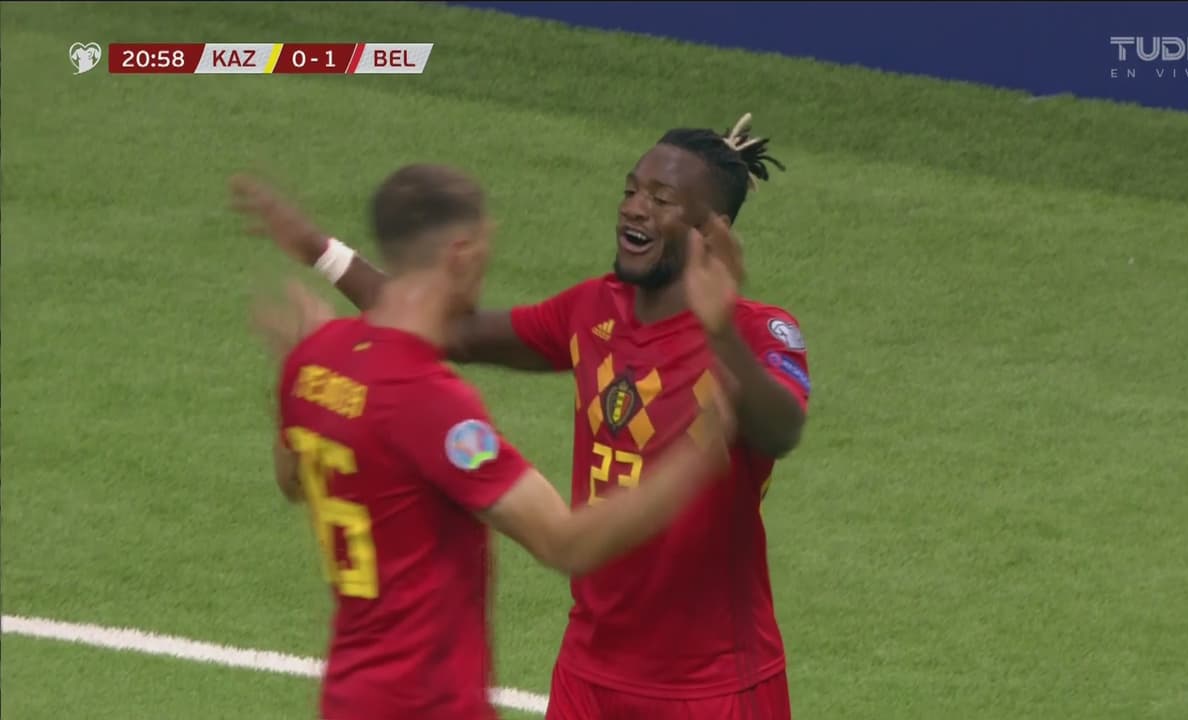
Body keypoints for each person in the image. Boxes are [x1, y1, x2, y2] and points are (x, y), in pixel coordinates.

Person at [233, 113, 810, 718]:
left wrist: (722, 337)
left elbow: (782, 429)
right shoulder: (592, 308)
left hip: (715, 685)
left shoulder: (760, 331)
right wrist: (321, 250)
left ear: (712, 232)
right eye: (631, 189)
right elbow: (444, 327)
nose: (634, 208)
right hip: (589, 672)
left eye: (660, 199)